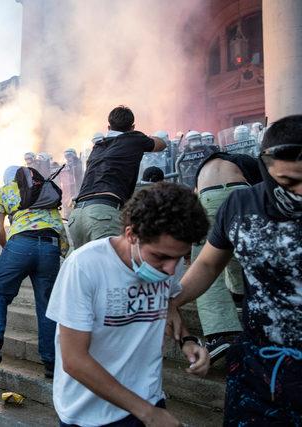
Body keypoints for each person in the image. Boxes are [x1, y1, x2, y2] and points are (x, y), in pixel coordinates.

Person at [168, 115, 302, 426]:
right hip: (259, 368)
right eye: (288, 182)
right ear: (265, 170)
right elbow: (208, 263)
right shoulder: (241, 203)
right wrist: (172, 299)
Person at [47, 182, 210, 427]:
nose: (171, 269)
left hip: (148, 398)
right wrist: (147, 413)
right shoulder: (84, 266)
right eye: (161, 257)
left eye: (179, 258)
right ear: (131, 234)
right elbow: (74, 360)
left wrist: (187, 340)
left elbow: (166, 305)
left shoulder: (168, 264)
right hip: (89, 414)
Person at [0, 166, 69, 379]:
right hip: (50, 245)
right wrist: (62, 251)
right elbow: (58, 225)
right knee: (47, 305)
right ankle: (51, 362)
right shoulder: (43, 189)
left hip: (20, 243)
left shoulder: (3, 191)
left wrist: (11, 248)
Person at [191, 150, 262, 364]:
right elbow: (263, 189)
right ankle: (247, 306)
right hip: (241, 193)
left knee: (205, 261)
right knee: (245, 250)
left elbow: (195, 195)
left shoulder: (203, 167)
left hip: (206, 197)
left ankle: (218, 335)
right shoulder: (243, 161)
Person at [69, 106, 166, 248]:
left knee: (88, 267)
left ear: (108, 127)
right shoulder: (134, 139)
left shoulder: (98, 146)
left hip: (76, 215)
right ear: (132, 127)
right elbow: (161, 144)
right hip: (103, 213)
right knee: (112, 266)